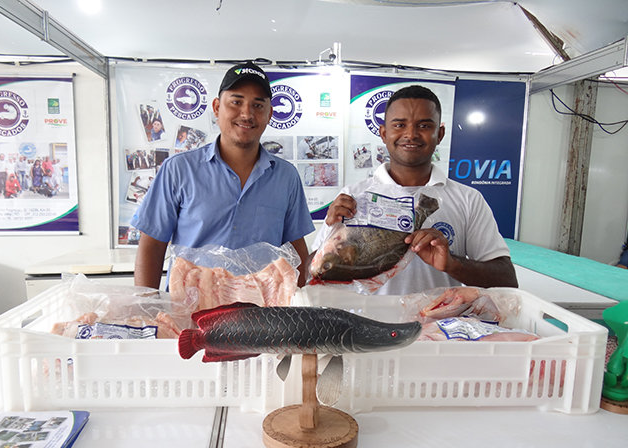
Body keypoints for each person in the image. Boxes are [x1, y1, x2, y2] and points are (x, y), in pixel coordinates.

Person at [312, 85, 518, 294]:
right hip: (366, 324)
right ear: (383, 133)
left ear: (440, 133)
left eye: (424, 126)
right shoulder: (353, 197)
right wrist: (331, 232)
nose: (410, 134)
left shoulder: (468, 199)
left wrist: (452, 264)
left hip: (437, 324)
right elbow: (312, 272)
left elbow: (507, 280)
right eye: (399, 125)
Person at [131, 62, 315, 289]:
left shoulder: (286, 177)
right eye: (236, 102)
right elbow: (152, 246)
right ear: (217, 107)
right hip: (191, 312)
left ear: (269, 114)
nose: (247, 114)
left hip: (262, 315)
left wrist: (303, 307)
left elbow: (295, 251)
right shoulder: (178, 170)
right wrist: (147, 307)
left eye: (258, 105)